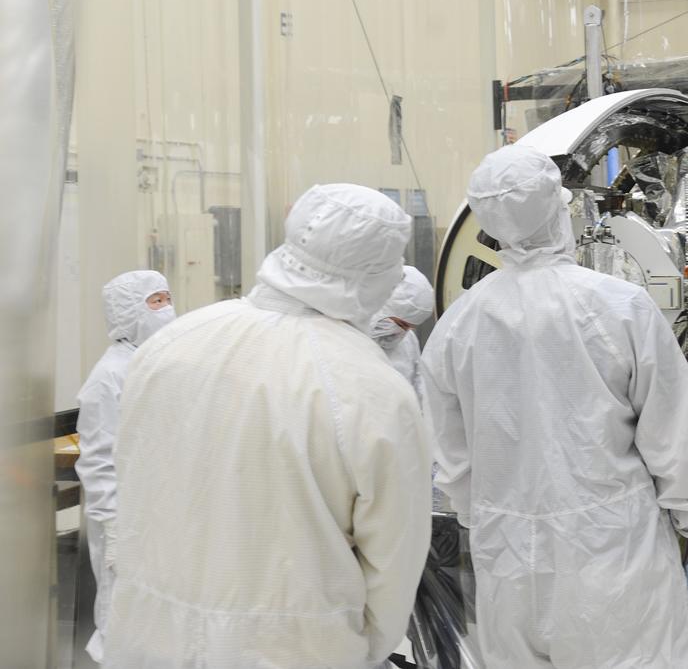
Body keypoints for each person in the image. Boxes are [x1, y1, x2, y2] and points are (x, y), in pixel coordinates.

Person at [103, 184, 433, 669]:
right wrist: (364, 647)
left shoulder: (171, 343)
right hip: (292, 647)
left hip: (148, 636)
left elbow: (132, 485)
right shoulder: (370, 388)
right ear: (376, 272)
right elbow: (394, 562)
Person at [423, 145, 688, 669]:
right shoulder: (621, 307)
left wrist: (494, 520)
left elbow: (451, 459)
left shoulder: (457, 324)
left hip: (507, 560)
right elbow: (673, 440)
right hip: (612, 554)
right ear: (559, 211)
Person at [76, 270, 175, 663]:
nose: (167, 309)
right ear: (129, 310)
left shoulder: (152, 362)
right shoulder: (109, 376)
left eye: (168, 298)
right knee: (120, 616)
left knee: (154, 619)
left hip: (155, 513)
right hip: (124, 519)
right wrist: (112, 526)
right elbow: (99, 459)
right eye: (156, 301)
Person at [370, 265, 435, 408]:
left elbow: (418, 389)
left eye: (408, 327)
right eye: (400, 324)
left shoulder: (408, 341)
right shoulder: (345, 331)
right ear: (384, 303)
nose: (401, 332)